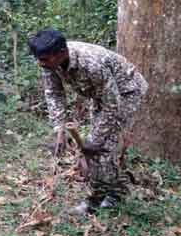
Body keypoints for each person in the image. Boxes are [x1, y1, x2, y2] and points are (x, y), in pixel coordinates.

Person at [28, 29, 148, 215]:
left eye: (43, 59)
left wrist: (93, 143)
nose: (39, 63)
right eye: (38, 58)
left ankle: (104, 198)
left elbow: (112, 104)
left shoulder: (91, 64)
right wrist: (59, 130)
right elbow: (54, 94)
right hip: (100, 95)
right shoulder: (49, 64)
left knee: (102, 147)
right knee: (98, 147)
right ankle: (112, 188)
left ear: (61, 53)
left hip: (127, 93)